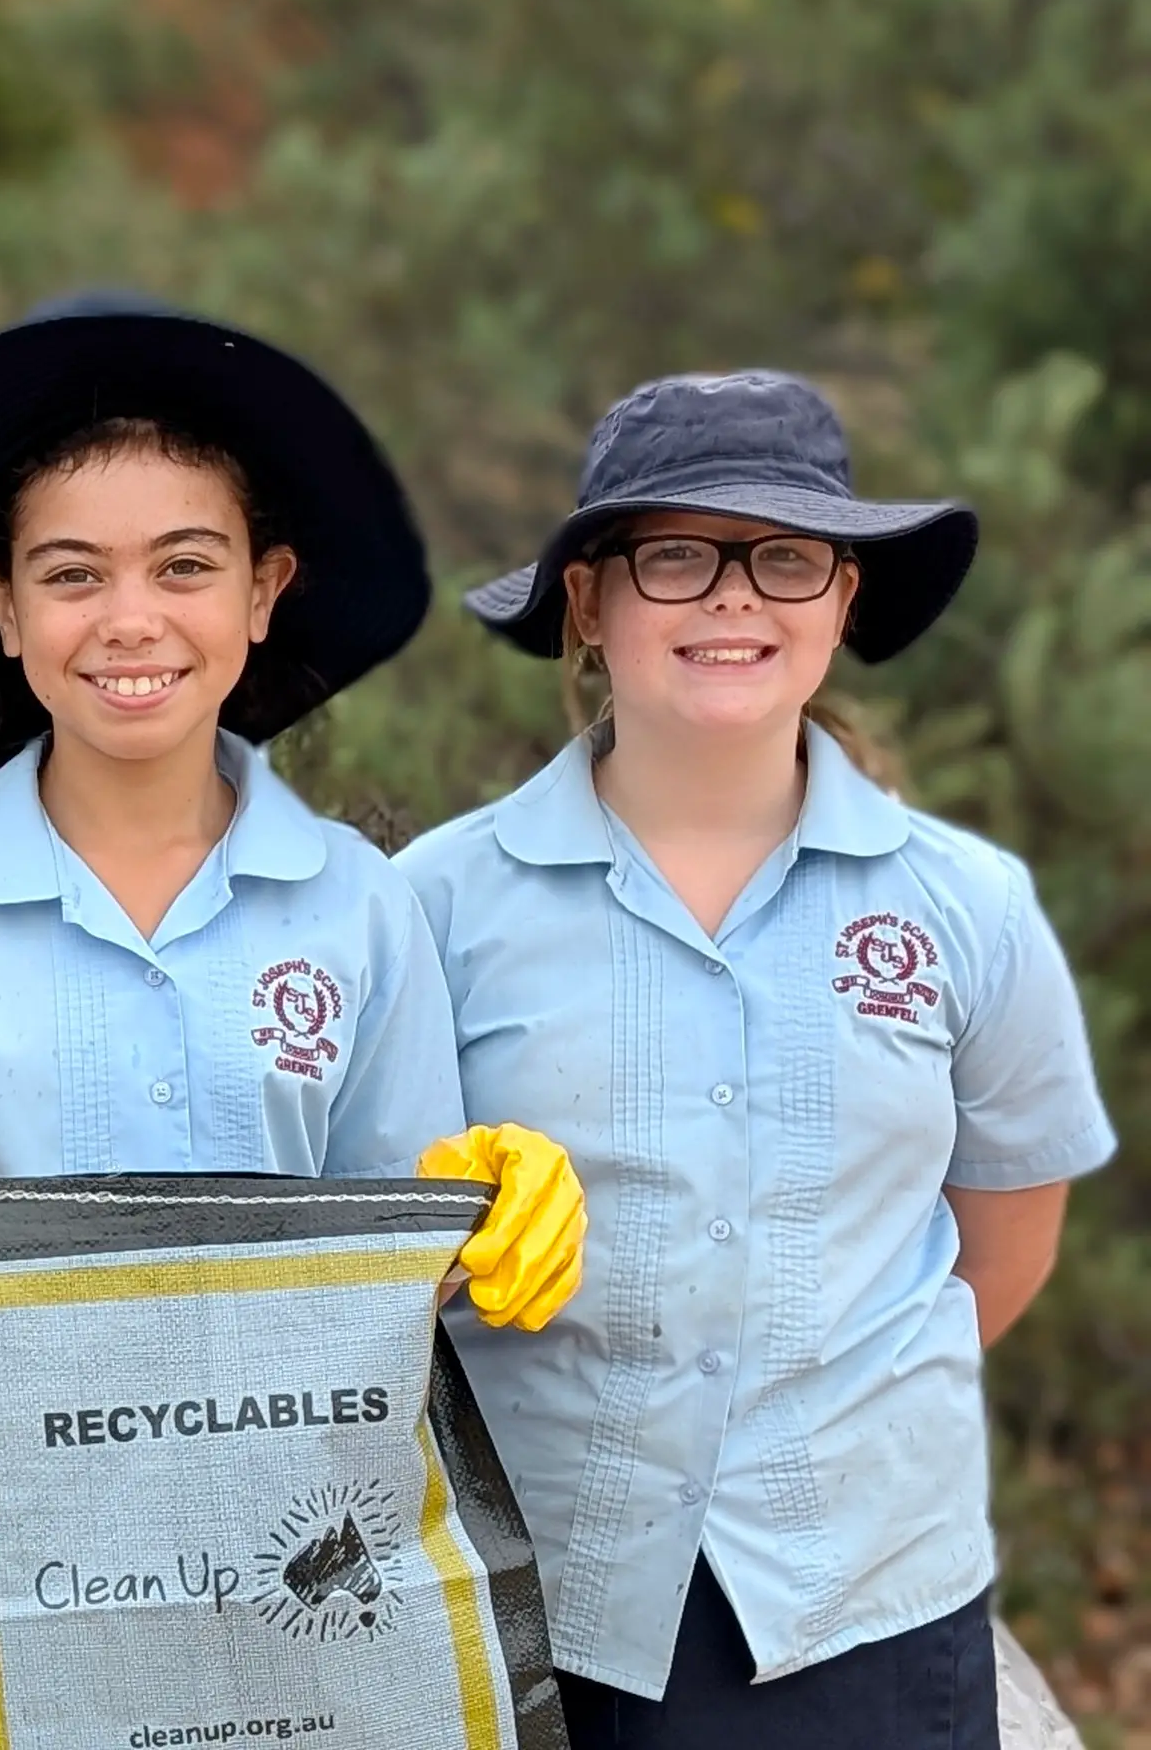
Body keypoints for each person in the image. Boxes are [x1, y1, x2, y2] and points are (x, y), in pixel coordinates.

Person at [0, 298, 590, 1750]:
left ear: (265, 589)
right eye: (73, 574)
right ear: (1, 604)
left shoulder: (363, 911)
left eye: (187, 565)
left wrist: (482, 1223)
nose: (132, 619)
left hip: (292, 1576)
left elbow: (397, 1287)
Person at [397, 371, 1119, 1750]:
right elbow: (381, 1248)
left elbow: (1002, 1252)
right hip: (535, 1606)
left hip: (866, 1615)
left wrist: (807, 1412)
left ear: (843, 599)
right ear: (590, 606)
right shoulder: (437, 906)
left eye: (785, 557)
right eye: (676, 556)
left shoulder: (966, 908)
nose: (736, 598)